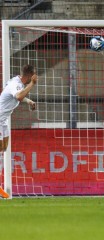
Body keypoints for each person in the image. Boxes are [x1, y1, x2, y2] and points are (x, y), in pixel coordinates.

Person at [0, 64, 38, 199]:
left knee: (3, 148)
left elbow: (18, 95)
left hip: (3, 121)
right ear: (29, 75)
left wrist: (29, 101)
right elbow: (18, 96)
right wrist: (32, 84)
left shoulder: (16, 83)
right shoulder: (16, 84)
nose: (35, 77)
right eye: (34, 75)